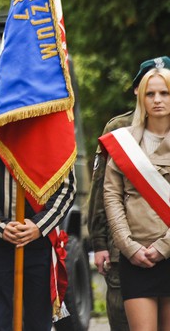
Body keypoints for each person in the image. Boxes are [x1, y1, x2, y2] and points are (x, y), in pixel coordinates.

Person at [0, 71, 76, 331]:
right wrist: (2, 226)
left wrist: (38, 226)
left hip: (38, 241)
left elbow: (67, 188)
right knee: (0, 321)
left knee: (37, 322)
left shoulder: (51, 127)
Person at [89, 56, 170, 331]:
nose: (157, 99)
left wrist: (163, 247)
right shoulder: (121, 135)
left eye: (164, 92)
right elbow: (106, 193)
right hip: (131, 251)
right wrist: (109, 243)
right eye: (150, 92)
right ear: (139, 93)